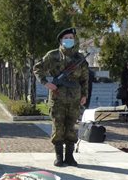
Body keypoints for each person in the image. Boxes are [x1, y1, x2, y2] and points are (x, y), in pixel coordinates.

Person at [34, 27, 89, 167]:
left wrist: (84, 95)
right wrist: (46, 83)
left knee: (71, 127)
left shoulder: (80, 58)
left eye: (71, 38)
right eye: (66, 38)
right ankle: (59, 156)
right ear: (61, 40)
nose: (69, 40)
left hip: (74, 98)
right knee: (58, 127)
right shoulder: (52, 56)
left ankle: (70, 156)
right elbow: (37, 68)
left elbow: (85, 79)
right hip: (57, 98)